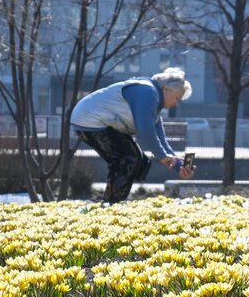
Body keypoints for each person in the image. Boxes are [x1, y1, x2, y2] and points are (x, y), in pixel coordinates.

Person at [71, 67, 196, 203]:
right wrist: (162, 157)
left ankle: (112, 202)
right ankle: (112, 205)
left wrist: (179, 166)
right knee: (128, 158)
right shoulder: (148, 93)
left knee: (138, 159)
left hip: (94, 121)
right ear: (166, 89)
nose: (176, 104)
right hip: (89, 120)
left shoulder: (154, 100)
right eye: (177, 98)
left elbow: (161, 141)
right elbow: (146, 131)